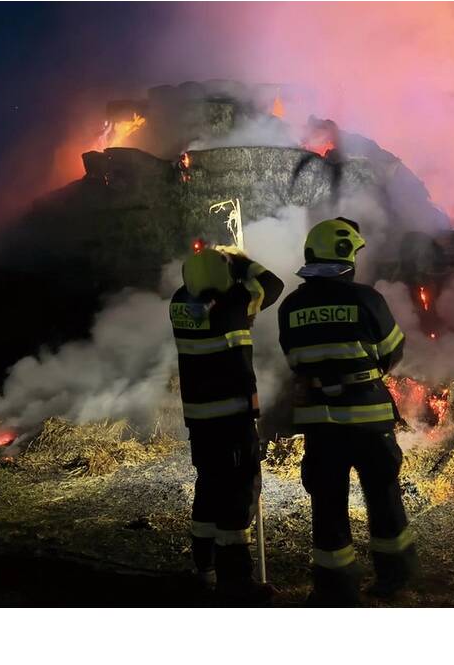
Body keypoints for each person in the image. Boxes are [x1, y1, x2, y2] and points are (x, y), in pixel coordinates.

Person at [277, 217, 419, 605]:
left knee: (327, 506)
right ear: (346, 257)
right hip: (368, 420)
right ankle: (393, 576)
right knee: (384, 499)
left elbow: (294, 359)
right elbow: (393, 350)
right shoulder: (367, 299)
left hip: (320, 425)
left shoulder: (291, 306)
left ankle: (336, 589)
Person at [170, 244, 283, 603]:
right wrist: (240, 258)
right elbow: (274, 285)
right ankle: (236, 582)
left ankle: (204, 569)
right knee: (237, 497)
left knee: (208, 488)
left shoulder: (179, 305)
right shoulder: (235, 302)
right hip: (232, 418)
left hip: (201, 420)